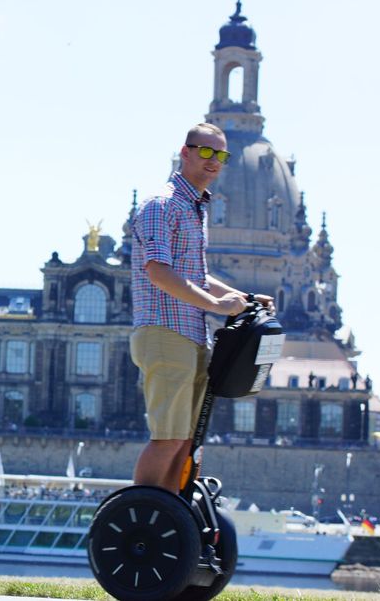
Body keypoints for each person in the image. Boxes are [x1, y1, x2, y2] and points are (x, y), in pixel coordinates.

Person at [129, 122, 271, 493]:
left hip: (191, 334)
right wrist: (214, 305)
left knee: (187, 442)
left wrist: (245, 298)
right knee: (169, 438)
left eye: (220, 155)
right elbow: (159, 271)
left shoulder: (195, 208)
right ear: (185, 151)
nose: (213, 161)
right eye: (205, 152)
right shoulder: (163, 205)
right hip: (164, 330)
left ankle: (169, 511)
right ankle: (143, 511)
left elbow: (198, 275)